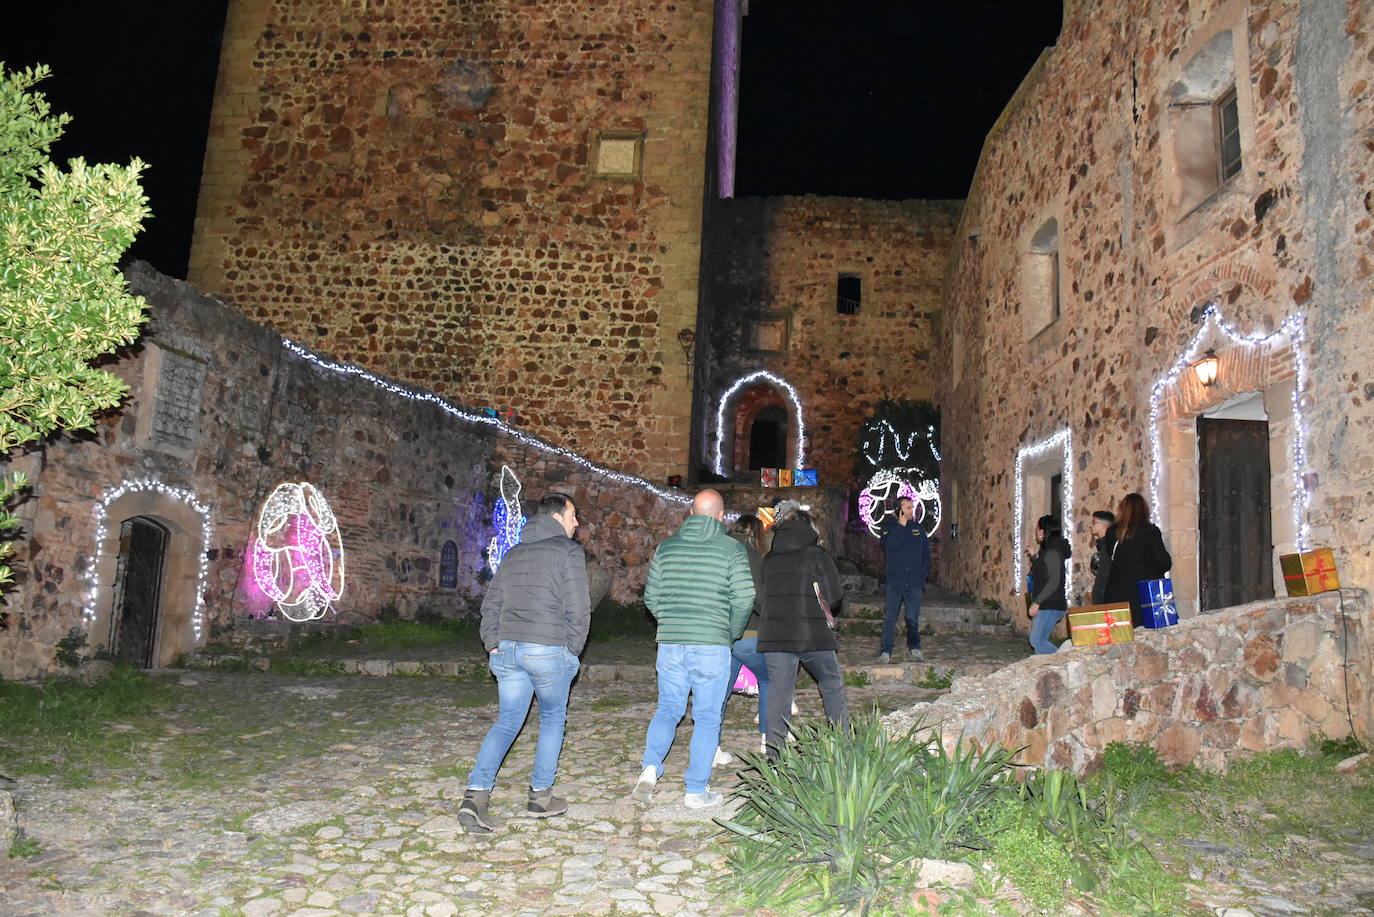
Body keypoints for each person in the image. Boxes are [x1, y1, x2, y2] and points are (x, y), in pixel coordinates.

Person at [458, 492, 589, 835]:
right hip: (547, 649)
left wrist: (493, 645)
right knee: (551, 720)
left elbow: (492, 603)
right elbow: (578, 608)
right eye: (573, 516)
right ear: (558, 517)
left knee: (507, 722)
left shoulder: (514, 553)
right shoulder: (568, 552)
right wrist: (573, 650)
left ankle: (475, 797)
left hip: (509, 649)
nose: (577, 523)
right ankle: (540, 798)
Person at [633, 489, 754, 809]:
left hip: (670, 644)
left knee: (668, 709)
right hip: (711, 645)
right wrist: (731, 633)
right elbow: (744, 598)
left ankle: (649, 770)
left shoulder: (667, 547)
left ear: (690, 513)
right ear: (720, 515)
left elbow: (651, 598)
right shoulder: (731, 550)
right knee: (707, 717)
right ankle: (696, 790)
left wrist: (672, 622)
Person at [757, 508, 848, 756]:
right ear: (810, 529)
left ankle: (774, 755)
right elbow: (834, 595)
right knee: (831, 683)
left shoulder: (769, 559)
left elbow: (759, 598)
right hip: (813, 634)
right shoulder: (817, 555)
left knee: (780, 694)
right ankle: (844, 745)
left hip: (776, 636)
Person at [719, 514, 769, 759]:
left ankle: (713, 747)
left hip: (720, 633)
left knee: (721, 690)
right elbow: (756, 594)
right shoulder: (754, 555)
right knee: (770, 679)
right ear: (756, 534)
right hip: (750, 632)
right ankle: (767, 738)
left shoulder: (719, 549)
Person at [1101, 493, 1173, 626]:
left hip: (1116, 597)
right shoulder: (1149, 531)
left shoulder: (1112, 532)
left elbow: (1113, 556)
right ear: (1144, 510)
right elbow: (1163, 562)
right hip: (1143, 599)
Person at [877, 496, 932, 663]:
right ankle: (886, 650)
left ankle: (914, 647)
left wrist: (923, 575)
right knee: (890, 617)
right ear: (898, 510)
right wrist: (901, 526)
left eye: (911, 507)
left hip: (914, 581)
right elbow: (890, 546)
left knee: (911, 617)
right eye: (907, 507)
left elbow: (926, 555)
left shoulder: (918, 528)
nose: (911, 510)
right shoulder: (888, 528)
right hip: (895, 581)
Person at [1026, 515, 1072, 654]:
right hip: (1049, 603)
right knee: (1039, 641)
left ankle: (1063, 661)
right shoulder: (1050, 550)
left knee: (1037, 640)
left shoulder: (1052, 552)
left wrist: (1037, 602)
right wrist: (1034, 557)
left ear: (1043, 531)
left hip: (1050, 604)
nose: (1036, 533)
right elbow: (1044, 572)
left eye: (1037, 529)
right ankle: (1047, 670)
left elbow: (1053, 581)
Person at [1089, 510, 1115, 604]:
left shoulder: (1108, 546)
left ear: (1104, 525)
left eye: (1094, 522)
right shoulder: (1103, 545)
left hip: (1105, 597)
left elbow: (1104, 574)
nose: (1091, 526)